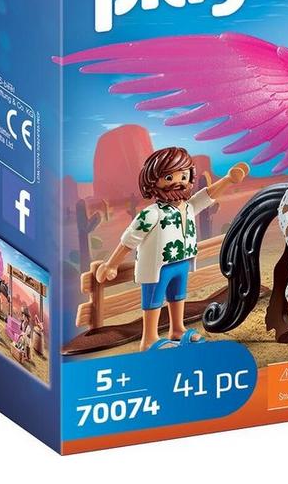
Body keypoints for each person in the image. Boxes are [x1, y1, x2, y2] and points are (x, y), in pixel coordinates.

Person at [97, 147, 248, 351]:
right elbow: (129, 240)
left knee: (178, 296)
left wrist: (228, 179)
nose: (179, 182)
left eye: (184, 176)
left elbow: (208, 195)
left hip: (182, 262)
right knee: (154, 300)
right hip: (157, 267)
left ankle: (177, 330)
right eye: (169, 177)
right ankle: (149, 339)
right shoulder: (152, 213)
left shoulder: (188, 207)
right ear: (153, 181)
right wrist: (111, 264)